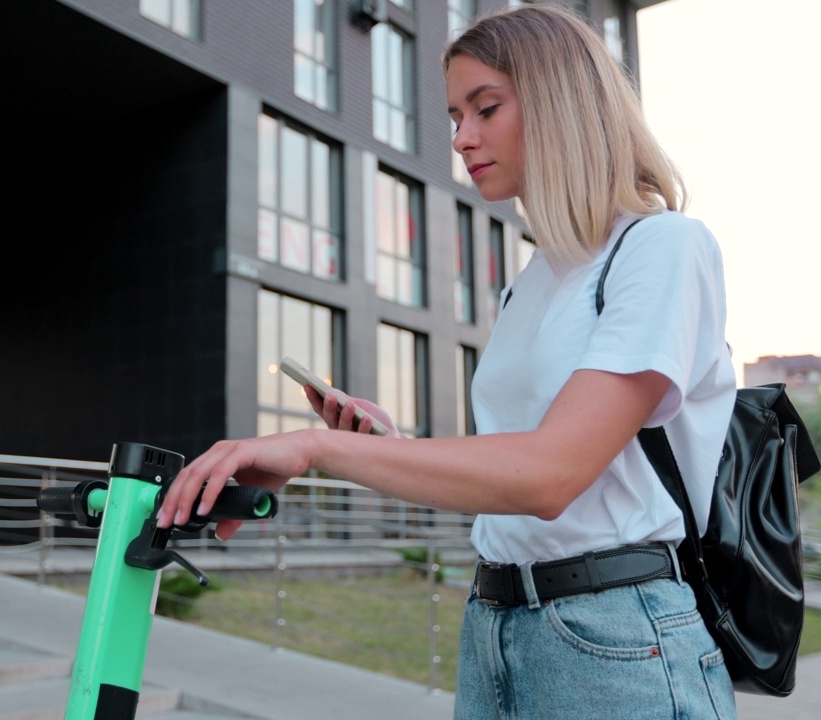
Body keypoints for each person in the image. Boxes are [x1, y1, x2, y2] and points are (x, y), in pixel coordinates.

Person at [158, 5, 737, 718]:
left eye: (485, 108)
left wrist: (319, 447)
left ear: (561, 101)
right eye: (455, 115)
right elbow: (516, 470)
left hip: (614, 635)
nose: (461, 138)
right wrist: (388, 450)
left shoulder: (662, 247)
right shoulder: (533, 280)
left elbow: (552, 475)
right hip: (494, 621)